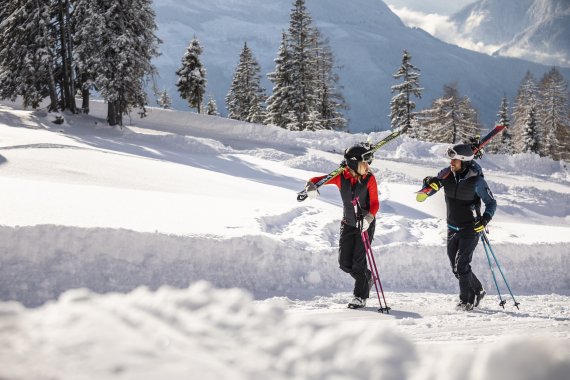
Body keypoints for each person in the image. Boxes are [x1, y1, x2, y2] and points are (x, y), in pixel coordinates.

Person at [305, 142, 379, 309]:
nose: (367, 167)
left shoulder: (369, 179)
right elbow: (317, 180)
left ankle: (360, 296)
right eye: (364, 163)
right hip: (347, 224)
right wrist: (310, 186)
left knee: (358, 262)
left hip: (365, 224)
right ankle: (367, 277)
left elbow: (375, 203)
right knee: (345, 264)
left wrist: (368, 219)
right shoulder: (341, 176)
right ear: (353, 163)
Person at [423, 143, 497, 311]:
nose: (451, 163)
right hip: (452, 227)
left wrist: (484, 220)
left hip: (470, 228)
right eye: (451, 160)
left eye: (455, 160)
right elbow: (430, 190)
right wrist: (429, 182)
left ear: (463, 161)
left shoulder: (477, 181)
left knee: (462, 265)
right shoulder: (447, 174)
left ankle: (467, 300)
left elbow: (491, 203)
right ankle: (478, 290)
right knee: (456, 268)